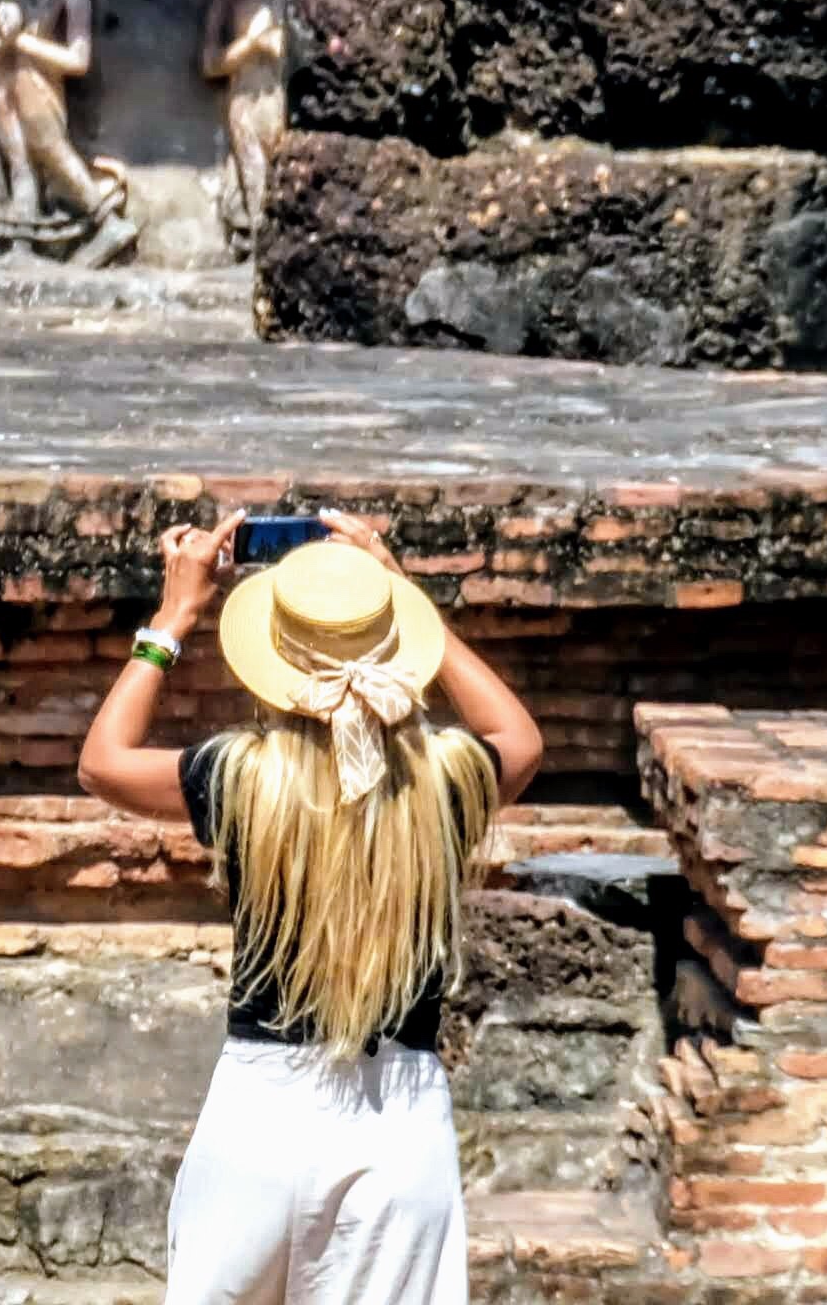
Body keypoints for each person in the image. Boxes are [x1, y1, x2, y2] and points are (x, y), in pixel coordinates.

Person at [79, 511, 546, 1305]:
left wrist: (173, 617)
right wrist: (403, 597)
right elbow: (520, 737)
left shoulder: (241, 776)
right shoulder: (442, 781)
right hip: (400, 1121)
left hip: (260, 1115)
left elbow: (102, 764)